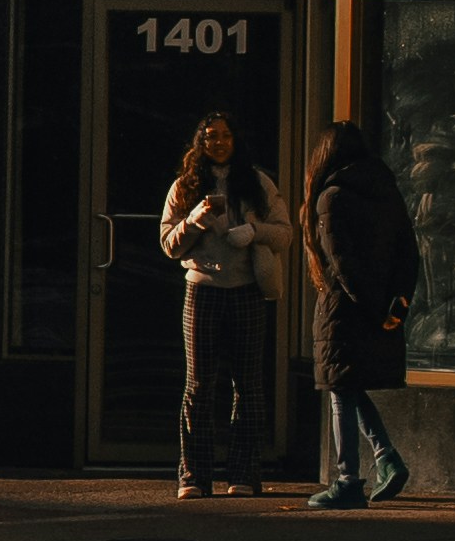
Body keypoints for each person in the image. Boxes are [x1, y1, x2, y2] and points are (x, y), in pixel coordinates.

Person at [158, 107, 291, 498]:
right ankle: (194, 477)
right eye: (210, 136)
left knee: (247, 385)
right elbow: (168, 244)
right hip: (202, 289)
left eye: (225, 136)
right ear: (200, 143)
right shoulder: (184, 185)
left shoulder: (258, 183)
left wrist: (254, 232)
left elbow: (285, 234)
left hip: (247, 289)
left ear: (236, 140)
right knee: (198, 384)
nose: (218, 143)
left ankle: (244, 475)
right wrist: (196, 219)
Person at [300, 116, 421, 511]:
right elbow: (408, 253)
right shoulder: (387, 191)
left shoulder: (330, 197)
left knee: (340, 392)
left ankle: (348, 479)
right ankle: (386, 457)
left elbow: (342, 265)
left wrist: (371, 308)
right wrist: (395, 306)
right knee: (349, 386)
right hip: (379, 307)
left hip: (345, 311)